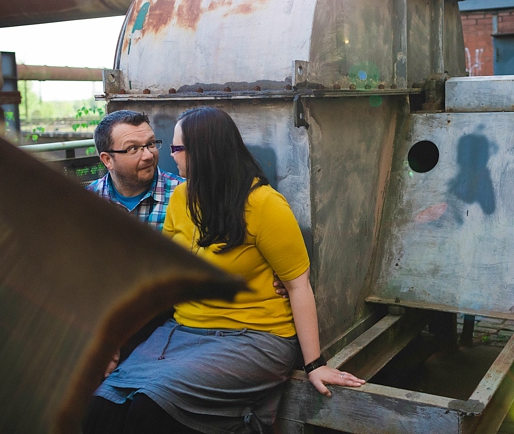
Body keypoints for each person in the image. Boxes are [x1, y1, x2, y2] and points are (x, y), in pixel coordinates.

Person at [84, 106, 364, 434]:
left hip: (254, 337)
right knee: (100, 409)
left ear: (203, 152)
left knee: (151, 409)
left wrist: (315, 364)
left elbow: (298, 286)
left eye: (174, 148)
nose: (168, 157)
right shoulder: (180, 198)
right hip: (185, 332)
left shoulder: (264, 204)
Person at [87, 110, 183, 230]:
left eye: (151, 144)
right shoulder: (86, 202)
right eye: (133, 148)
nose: (148, 155)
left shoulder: (184, 195)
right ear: (107, 160)